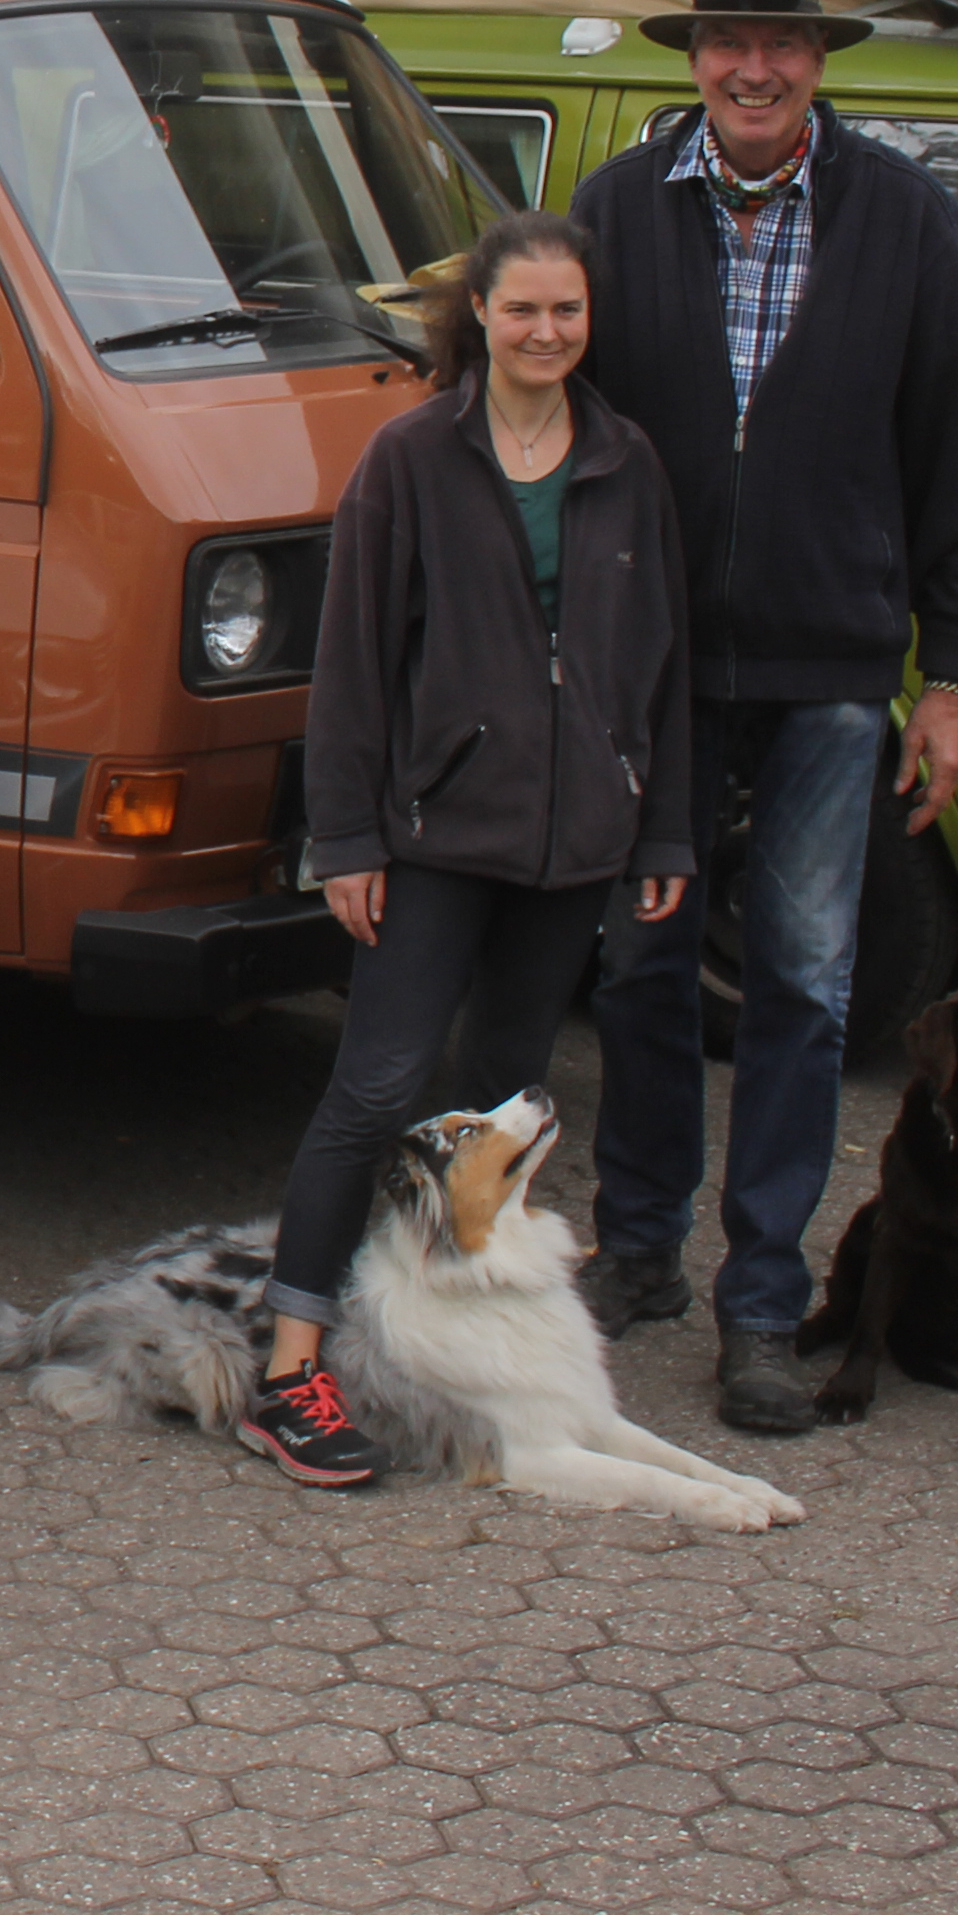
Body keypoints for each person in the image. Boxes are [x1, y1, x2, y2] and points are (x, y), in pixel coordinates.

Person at [570, 0, 958, 1436]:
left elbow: (951, 453)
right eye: (727, 41)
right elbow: (552, 429)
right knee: (636, 963)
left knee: (808, 987)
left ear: (823, 62)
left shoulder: (902, 218)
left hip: (832, 665)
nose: (755, 68)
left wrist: (950, 672)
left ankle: (761, 1303)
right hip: (657, 664)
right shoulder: (616, 213)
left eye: (784, 43)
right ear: (692, 56)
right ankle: (637, 1253)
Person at [236, 207, 696, 1487]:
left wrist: (659, 821)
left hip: (578, 846)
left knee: (501, 1101)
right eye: (522, 310)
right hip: (434, 837)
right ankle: (291, 1371)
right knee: (377, 1092)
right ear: (478, 319)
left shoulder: (627, 462)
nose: (546, 332)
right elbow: (352, 667)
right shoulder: (411, 460)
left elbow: (663, 662)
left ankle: (450, 1354)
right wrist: (347, 839)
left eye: (568, 311)